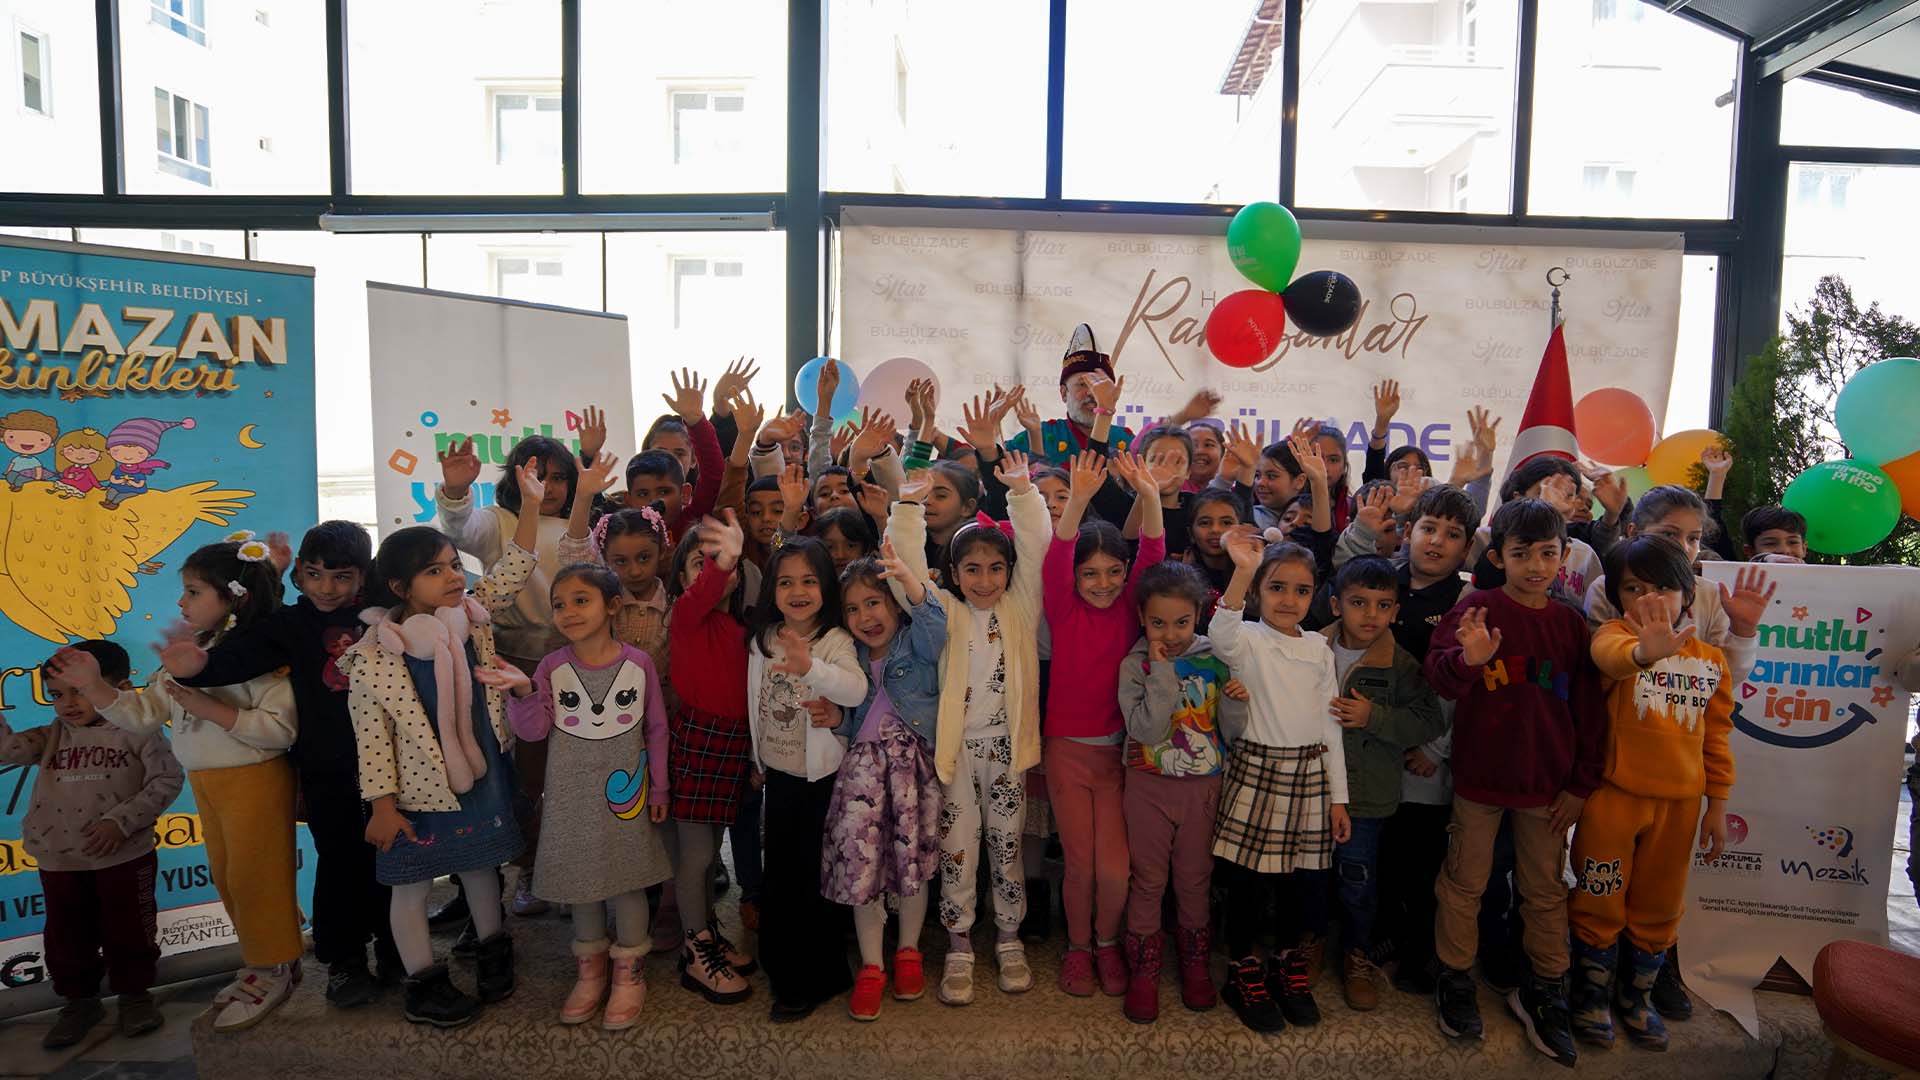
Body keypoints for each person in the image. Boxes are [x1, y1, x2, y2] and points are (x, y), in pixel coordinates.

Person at [54, 540, 299, 1034]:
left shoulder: (256, 657)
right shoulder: (190, 653)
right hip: (209, 781)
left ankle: (272, 967)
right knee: (229, 877)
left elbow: (280, 729)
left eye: (193, 591)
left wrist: (212, 708)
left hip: (254, 779)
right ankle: (267, 960)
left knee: (256, 879)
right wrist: (95, 685)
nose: (181, 602)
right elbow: (145, 714)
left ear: (235, 597)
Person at [163, 522, 403, 1008]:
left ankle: (397, 949)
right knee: (339, 863)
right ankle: (345, 960)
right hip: (325, 769)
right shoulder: (290, 624)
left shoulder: (386, 615)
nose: (326, 588)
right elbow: (242, 655)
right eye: (313, 574)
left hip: (396, 766)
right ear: (299, 575)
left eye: (341, 577)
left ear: (365, 576)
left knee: (396, 861)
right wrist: (200, 668)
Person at [342, 463, 543, 1027]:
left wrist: (530, 506)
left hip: (481, 776)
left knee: (481, 868)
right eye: (435, 571)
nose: (454, 577)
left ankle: (493, 948)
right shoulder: (373, 659)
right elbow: (372, 742)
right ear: (400, 588)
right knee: (409, 886)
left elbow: (514, 569)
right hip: (413, 797)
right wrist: (382, 806)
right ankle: (424, 985)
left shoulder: (470, 619)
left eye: (455, 565)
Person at [1426, 498, 1606, 1067]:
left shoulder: (1571, 624)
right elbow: (1441, 679)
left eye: (1547, 553)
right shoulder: (1475, 609)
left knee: (1545, 890)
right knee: (1464, 883)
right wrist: (1469, 660)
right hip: (1479, 782)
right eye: (1522, 553)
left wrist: (1580, 785)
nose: (1535, 565)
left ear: (1564, 556)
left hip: (1547, 790)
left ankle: (1545, 989)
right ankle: (1455, 977)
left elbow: (1589, 712)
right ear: (1499, 556)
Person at [887, 450, 1049, 1006]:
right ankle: (959, 943)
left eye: (995, 568)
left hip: (1006, 754)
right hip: (954, 756)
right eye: (972, 570)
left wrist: (1023, 492)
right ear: (954, 575)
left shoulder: (1021, 609)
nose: (985, 579)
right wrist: (908, 507)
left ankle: (1008, 937)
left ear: (1009, 573)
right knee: (958, 851)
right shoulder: (944, 612)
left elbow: (1036, 546)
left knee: (1006, 847)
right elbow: (907, 568)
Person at [1569, 535, 1734, 1052]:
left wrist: (1718, 806)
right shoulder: (1615, 636)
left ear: (1688, 593)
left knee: (1660, 903)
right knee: (1598, 895)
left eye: (1662, 587)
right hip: (1613, 798)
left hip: (1680, 806)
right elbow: (1608, 658)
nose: (1650, 599)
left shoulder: (1711, 660)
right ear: (1617, 598)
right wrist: (1645, 652)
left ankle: (1636, 995)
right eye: (1634, 588)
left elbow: (1717, 737)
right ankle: (1590, 994)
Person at [490, 562, 672, 1031]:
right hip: (570, 797)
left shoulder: (639, 664)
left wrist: (660, 786)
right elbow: (533, 730)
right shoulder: (552, 667)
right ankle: (590, 973)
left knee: (629, 878)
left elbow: (656, 729)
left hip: (626, 797)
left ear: (612, 606)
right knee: (581, 881)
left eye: (580, 600)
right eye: (559, 604)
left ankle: (629, 973)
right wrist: (524, 692)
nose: (568, 611)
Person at [4, 640, 182, 1048]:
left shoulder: (139, 731)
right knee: (66, 935)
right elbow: (9, 750)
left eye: (80, 691)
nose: (67, 704)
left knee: (130, 930)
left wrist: (120, 822)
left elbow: (167, 779)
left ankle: (135, 996)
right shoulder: (51, 734)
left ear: (120, 688)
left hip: (124, 856)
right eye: (56, 695)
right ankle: (79, 1002)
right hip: (60, 859)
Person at [1209, 533, 1349, 1035]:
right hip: (1257, 771)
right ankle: (1242, 969)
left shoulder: (1318, 649)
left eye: (1301, 590)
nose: (1289, 600)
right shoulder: (1247, 638)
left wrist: (1338, 798)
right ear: (1257, 593)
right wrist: (1243, 569)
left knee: (1298, 883)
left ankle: (1286, 963)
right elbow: (1220, 633)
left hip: (1309, 777)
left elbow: (1331, 726)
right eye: (1277, 587)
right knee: (1246, 882)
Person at [1043, 450, 1167, 998]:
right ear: (1074, 578)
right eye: (1090, 573)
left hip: (1119, 755)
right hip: (1066, 752)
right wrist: (1077, 500)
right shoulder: (1063, 607)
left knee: (1116, 869)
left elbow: (1153, 552)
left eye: (1114, 572)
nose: (1104, 583)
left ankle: (1107, 942)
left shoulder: (1128, 608)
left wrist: (1151, 496)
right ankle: (1077, 948)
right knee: (1081, 866)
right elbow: (1058, 554)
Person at [822, 543, 948, 1022]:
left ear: (894, 604)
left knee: (912, 865)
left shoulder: (915, 643)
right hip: (860, 778)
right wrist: (837, 719)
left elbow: (936, 625)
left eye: (873, 602)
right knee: (863, 870)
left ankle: (908, 951)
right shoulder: (849, 655)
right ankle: (872, 965)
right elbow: (851, 713)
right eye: (853, 608)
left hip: (912, 772)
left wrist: (910, 582)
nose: (865, 617)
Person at [745, 534, 868, 1021]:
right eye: (786, 582)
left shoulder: (835, 641)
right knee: (780, 873)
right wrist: (756, 760)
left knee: (815, 875)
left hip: (822, 781)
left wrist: (812, 668)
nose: (798, 591)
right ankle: (783, 969)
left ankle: (820, 975)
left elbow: (855, 690)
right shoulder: (764, 639)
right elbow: (753, 700)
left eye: (809, 581)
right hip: (779, 775)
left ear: (826, 588)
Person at [1116, 561, 1244, 1022]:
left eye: (1182, 623)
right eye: (1158, 623)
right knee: (1148, 880)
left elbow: (1231, 732)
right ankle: (1145, 969)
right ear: (1141, 617)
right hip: (1147, 787)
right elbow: (1147, 731)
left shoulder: (1215, 659)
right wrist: (1163, 671)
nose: (1170, 634)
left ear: (1199, 616)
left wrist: (1234, 702)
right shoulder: (1135, 664)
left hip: (1202, 789)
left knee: (1194, 878)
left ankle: (1194, 962)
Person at [1318, 556, 1444, 1012]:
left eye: (1383, 605)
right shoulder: (1311, 648)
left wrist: (1375, 717)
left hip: (1366, 797)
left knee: (1357, 880)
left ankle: (1357, 954)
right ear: (1337, 604)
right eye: (1359, 603)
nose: (1371, 614)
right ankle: (1310, 942)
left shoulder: (1401, 665)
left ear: (1395, 611)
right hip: (1309, 790)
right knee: (1310, 876)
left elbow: (1428, 721)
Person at [1367, 486, 1476, 995]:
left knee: (1422, 854)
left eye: (1452, 535)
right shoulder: (1381, 584)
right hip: (1373, 742)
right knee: (1381, 850)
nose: (1436, 542)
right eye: (1429, 529)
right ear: (1408, 531)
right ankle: (1383, 930)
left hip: (1428, 754)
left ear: (1467, 548)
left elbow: (1461, 684)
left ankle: (1420, 947)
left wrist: (1435, 747)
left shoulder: (1466, 601)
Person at [662, 511, 760, 1005]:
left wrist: (756, 755)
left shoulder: (739, 628)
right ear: (683, 581)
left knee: (709, 853)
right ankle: (695, 948)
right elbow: (704, 592)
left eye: (721, 563)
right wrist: (724, 560)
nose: (714, 571)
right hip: (699, 743)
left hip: (733, 744)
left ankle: (704, 933)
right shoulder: (684, 614)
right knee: (697, 857)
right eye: (700, 564)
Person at [1584, 484, 1776, 684]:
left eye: (1693, 538)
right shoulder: (1605, 587)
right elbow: (1598, 665)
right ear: (1633, 533)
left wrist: (1742, 631)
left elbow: (1726, 678)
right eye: (1669, 534)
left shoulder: (1710, 594)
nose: (1683, 547)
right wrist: (1641, 654)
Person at [1003, 324, 1137, 465]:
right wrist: (992, 434)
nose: (1093, 392)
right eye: (1082, 384)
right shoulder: (1037, 435)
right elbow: (997, 471)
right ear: (1063, 393)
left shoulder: (1127, 441)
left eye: (1101, 386)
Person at [1740, 505, 1808, 562]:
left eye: (1793, 542)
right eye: (1770, 543)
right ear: (1750, 551)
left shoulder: (1811, 573)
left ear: (1804, 549)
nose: (1784, 550)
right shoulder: (1745, 573)